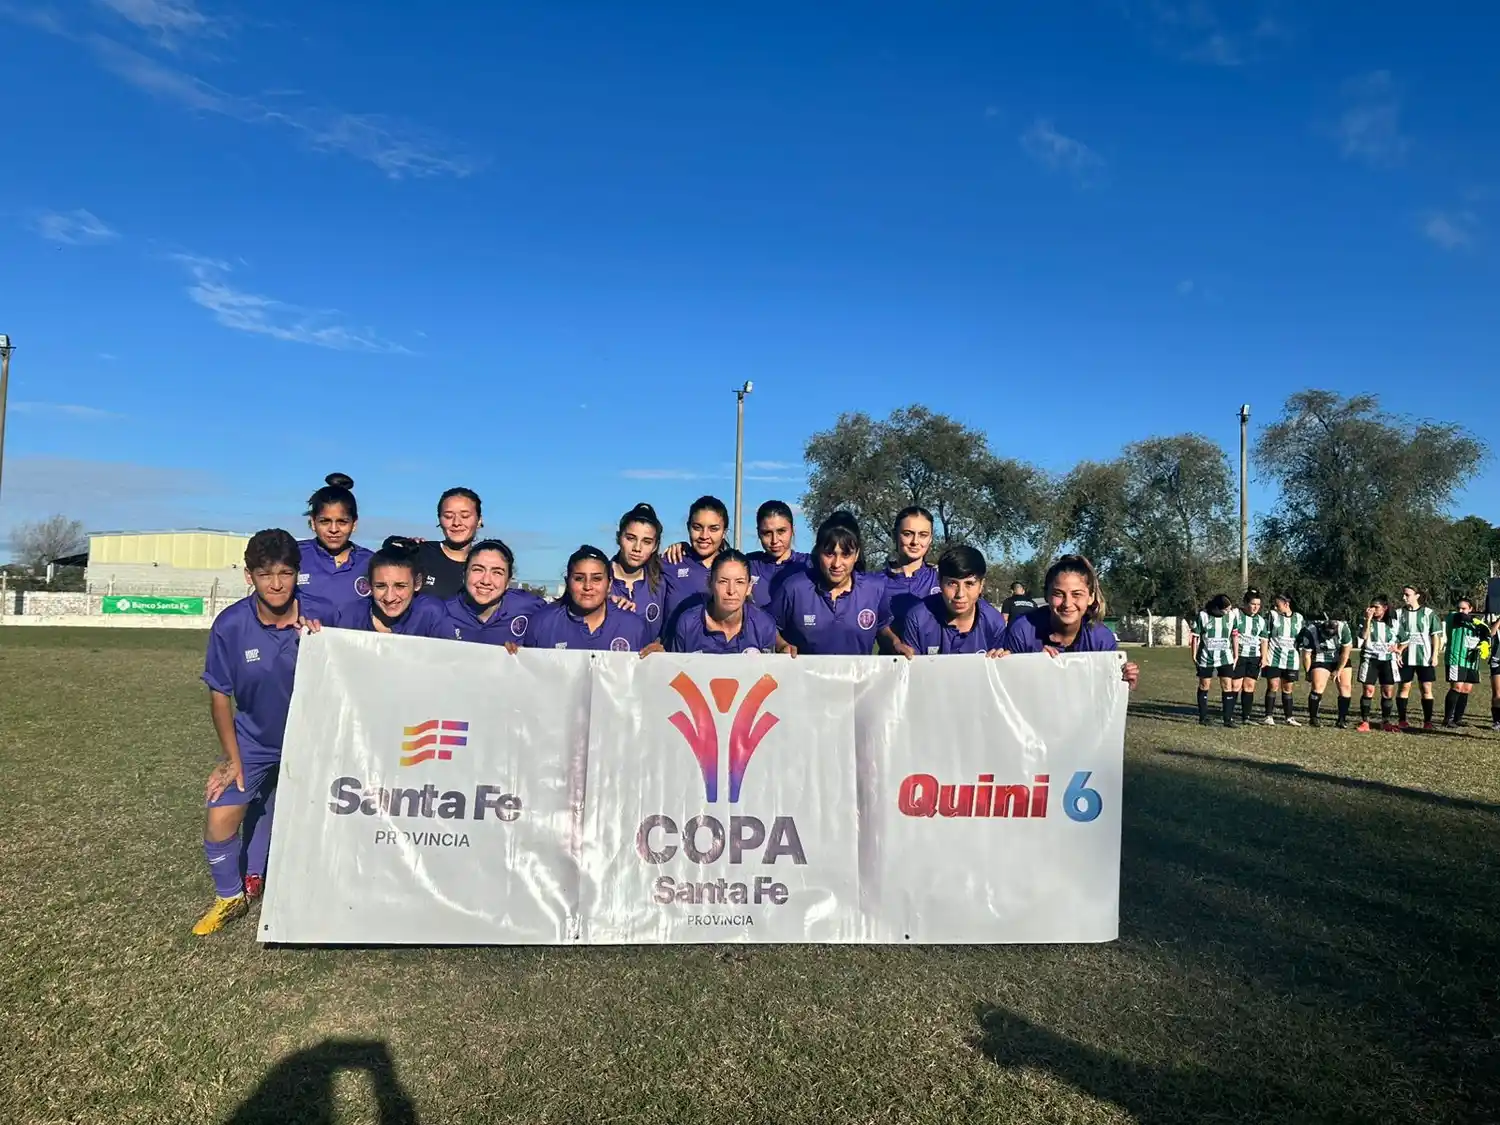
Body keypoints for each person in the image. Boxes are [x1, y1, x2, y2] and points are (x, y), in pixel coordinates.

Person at [193, 529, 306, 935]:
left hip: (312, 742)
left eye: (285, 573)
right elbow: (220, 695)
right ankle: (229, 897)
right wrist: (232, 757)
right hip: (254, 741)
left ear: (298, 574)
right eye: (265, 574)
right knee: (221, 812)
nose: (276, 584)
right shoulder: (230, 625)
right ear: (249, 576)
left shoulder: (319, 618)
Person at [996, 554, 1140, 689]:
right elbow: (1007, 692)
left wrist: (1123, 681)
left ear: (1090, 597)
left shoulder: (1101, 639)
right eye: (1058, 594)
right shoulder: (1023, 630)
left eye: (1077, 594)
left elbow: (1103, 696)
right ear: (1046, 595)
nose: (1067, 603)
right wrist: (1032, 667)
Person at [770, 512, 891, 655]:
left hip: (858, 677)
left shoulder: (875, 589)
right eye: (829, 554)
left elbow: (883, 628)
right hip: (805, 677)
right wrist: (782, 645)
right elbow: (770, 627)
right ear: (818, 552)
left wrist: (895, 644)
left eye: (846, 554)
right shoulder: (794, 588)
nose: (837, 563)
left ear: (857, 554)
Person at [647, 549, 785, 654]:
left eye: (739, 582)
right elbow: (676, 675)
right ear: (710, 584)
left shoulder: (763, 625)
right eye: (723, 581)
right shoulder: (687, 624)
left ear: (749, 587)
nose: (731, 590)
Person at [524, 545, 654, 651]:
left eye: (596, 579)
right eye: (579, 578)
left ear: (609, 584)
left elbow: (647, 677)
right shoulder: (542, 623)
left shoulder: (633, 626)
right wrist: (510, 655)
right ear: (567, 582)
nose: (587, 586)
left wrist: (659, 659)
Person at [317, 538, 448, 636]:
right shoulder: (348, 616)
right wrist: (310, 629)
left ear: (417, 583)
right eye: (380, 586)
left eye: (400, 586)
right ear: (370, 585)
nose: (389, 597)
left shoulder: (432, 613)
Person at [899, 545, 1007, 656]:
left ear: (981, 586)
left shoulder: (994, 622)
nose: (960, 594)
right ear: (940, 582)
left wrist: (1003, 661)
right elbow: (914, 671)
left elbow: (997, 671)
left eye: (969, 584)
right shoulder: (918, 618)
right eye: (952, 584)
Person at [296, 473, 374, 615]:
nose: (333, 529)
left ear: (354, 523)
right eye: (324, 521)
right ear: (313, 522)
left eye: (342, 522)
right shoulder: (294, 555)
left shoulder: (371, 562)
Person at [440, 539, 546, 644]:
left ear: (508, 581)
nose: (486, 581)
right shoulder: (442, 613)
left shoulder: (531, 607)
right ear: (464, 574)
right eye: (478, 570)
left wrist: (522, 654)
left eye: (497, 573)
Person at [877, 506, 941, 657]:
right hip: (891, 671)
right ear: (895, 535)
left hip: (936, 671)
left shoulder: (942, 579)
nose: (915, 541)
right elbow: (875, 624)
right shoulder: (875, 583)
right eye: (908, 534)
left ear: (931, 538)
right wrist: (895, 642)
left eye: (923, 535)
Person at [659, 496, 731, 624]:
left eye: (713, 529)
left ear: (724, 532)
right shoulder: (671, 562)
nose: (704, 536)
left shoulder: (734, 568)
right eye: (697, 527)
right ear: (688, 527)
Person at [609, 503, 667, 636]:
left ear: (655, 546)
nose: (637, 548)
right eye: (630, 538)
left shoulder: (662, 582)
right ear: (619, 538)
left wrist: (660, 644)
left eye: (646, 541)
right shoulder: (597, 580)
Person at [416, 487, 483, 600]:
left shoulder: (487, 563)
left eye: (465, 516)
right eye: (448, 516)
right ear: (439, 519)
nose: (456, 523)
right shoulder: (419, 553)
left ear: (479, 520)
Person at [1394, 584, 1443, 730]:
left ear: (1417, 596)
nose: (1404, 597)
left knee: (1426, 688)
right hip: (1404, 657)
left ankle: (1428, 721)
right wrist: (1396, 653)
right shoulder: (1398, 613)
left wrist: (1435, 655)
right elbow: (1393, 635)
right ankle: (1402, 720)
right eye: (1403, 594)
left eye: (1407, 594)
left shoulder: (1428, 613)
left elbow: (1435, 636)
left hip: (1425, 657)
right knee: (1404, 687)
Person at [1298, 606, 1355, 728]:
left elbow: (1346, 652)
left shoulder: (1343, 628)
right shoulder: (1311, 630)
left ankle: (1342, 719)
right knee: (1318, 686)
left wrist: (1338, 670)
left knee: (1345, 686)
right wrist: (1308, 672)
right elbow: (1306, 655)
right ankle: (1313, 718)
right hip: (1321, 657)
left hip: (1339, 658)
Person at [746, 500, 809, 609]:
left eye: (781, 531)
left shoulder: (809, 565)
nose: (774, 540)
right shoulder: (747, 565)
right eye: (767, 533)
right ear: (758, 532)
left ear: (792, 530)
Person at [1191, 594, 1240, 727]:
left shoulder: (1231, 617)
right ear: (1217, 607)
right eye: (1226, 609)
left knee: (1227, 685)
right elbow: (1195, 636)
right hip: (1206, 657)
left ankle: (1228, 719)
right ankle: (1203, 717)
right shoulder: (1203, 616)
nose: (1228, 612)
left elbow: (1235, 635)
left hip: (1225, 657)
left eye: (1230, 609)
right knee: (1204, 685)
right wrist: (1194, 655)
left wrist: (1236, 655)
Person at [1440, 598, 1489, 728]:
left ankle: (1458, 718)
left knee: (1466, 689)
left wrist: (1485, 640)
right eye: (1459, 608)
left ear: (1471, 609)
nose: (1461, 611)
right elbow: (1462, 617)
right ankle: (1447, 719)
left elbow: (1486, 634)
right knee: (1456, 687)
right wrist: (1476, 621)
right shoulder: (1454, 617)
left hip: (1471, 660)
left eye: (1464, 608)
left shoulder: (1476, 625)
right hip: (1456, 658)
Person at [1357, 595, 1401, 732]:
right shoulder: (1364, 621)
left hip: (1388, 660)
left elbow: (1405, 639)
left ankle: (1386, 721)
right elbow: (1363, 636)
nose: (1373, 610)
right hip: (1370, 659)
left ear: (1385, 608)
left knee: (1387, 691)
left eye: (1376, 607)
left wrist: (1398, 649)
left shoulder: (1394, 623)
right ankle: (1365, 721)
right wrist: (1368, 619)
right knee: (1368, 690)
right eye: (1372, 607)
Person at [1262, 593, 1304, 727]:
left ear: (1286, 604)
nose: (1275, 607)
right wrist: (1263, 656)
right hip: (1273, 658)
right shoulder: (1272, 616)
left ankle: (1289, 717)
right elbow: (1265, 637)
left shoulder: (1298, 618)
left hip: (1291, 659)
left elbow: (1302, 638)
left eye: (1277, 604)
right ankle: (1268, 716)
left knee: (1287, 688)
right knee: (1273, 686)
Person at [1233, 589, 1268, 723]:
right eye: (1253, 604)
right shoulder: (1236, 614)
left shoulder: (1260, 620)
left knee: (1249, 686)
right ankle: (1229, 714)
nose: (1255, 607)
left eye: (1258, 605)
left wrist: (1264, 657)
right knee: (1235, 685)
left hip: (1254, 657)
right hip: (1239, 656)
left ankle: (1246, 717)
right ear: (1246, 603)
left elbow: (1264, 640)